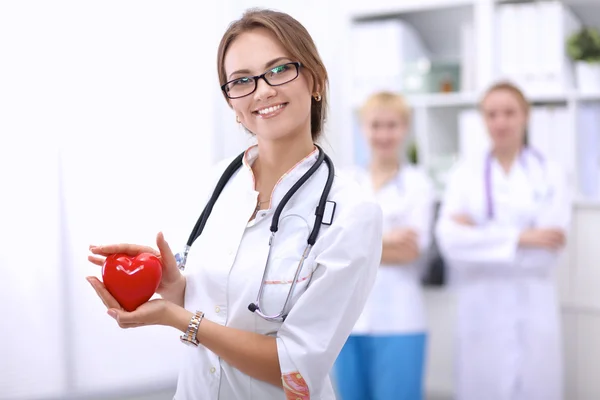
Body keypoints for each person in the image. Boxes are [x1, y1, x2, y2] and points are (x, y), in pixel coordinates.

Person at [86, 8, 383, 400]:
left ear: (315, 80)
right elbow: (218, 302)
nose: (262, 91)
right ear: (232, 102)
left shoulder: (352, 212)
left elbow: (294, 367)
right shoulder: (216, 183)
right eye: (241, 80)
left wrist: (180, 319)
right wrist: (173, 287)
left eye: (278, 70)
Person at [435, 81, 571, 400]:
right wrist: (523, 237)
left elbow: (549, 249)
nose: (501, 122)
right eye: (492, 114)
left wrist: (480, 236)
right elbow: (450, 241)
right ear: (483, 120)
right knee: (482, 386)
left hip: (534, 302)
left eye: (509, 113)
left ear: (526, 116)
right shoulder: (464, 175)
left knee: (537, 386)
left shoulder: (551, 173)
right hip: (481, 307)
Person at [334, 92, 435, 400]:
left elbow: (411, 251)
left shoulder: (418, 184)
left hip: (400, 320)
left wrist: (357, 243)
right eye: (375, 125)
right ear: (363, 129)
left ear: (405, 129)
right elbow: (331, 246)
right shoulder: (345, 183)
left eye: (392, 125)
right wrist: (388, 239)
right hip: (346, 321)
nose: (383, 134)